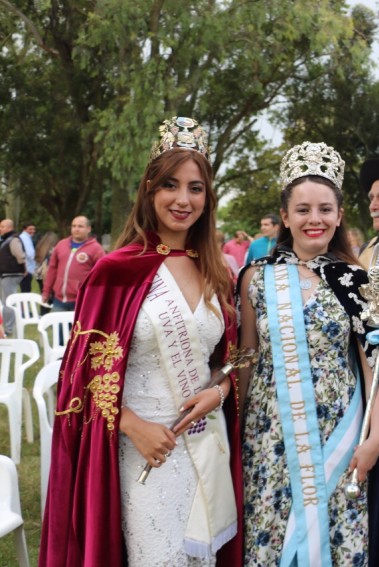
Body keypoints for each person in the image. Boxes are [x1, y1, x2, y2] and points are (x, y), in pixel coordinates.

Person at [40, 116, 243, 566]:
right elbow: (78, 376)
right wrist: (132, 425)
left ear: (208, 197)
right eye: (170, 185)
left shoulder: (217, 272)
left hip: (204, 446)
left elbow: (229, 361)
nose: (183, 199)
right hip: (139, 449)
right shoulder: (116, 271)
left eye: (196, 187)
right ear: (150, 189)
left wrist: (219, 390)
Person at [238, 141, 379, 566]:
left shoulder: (358, 280)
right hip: (270, 437)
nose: (314, 219)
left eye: (325, 209)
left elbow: (372, 365)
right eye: (302, 210)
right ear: (285, 216)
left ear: (339, 216)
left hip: (338, 434)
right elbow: (247, 359)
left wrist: (376, 436)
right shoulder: (254, 279)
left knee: (336, 539)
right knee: (272, 536)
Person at [41, 216, 106, 312]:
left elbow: (102, 275)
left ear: (88, 229)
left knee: (80, 327)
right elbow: (52, 269)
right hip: (59, 300)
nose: (76, 229)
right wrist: (46, 291)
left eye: (80, 226)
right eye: (74, 226)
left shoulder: (96, 249)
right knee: (59, 327)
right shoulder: (61, 245)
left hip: (82, 300)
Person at [0, 219, 27, 336]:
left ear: (9, 228)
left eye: (2, 226)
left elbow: (20, 256)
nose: (0, 229)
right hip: (5, 274)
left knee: (8, 302)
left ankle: (8, 329)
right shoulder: (5, 240)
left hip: (11, 274)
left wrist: (24, 269)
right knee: (5, 301)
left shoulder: (14, 240)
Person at [19, 222, 37, 293]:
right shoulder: (25, 238)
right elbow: (30, 253)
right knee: (26, 290)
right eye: (30, 229)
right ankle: (23, 304)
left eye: (34, 229)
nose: (33, 231)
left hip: (26, 267)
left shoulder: (25, 237)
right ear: (24, 229)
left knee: (25, 289)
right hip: (27, 268)